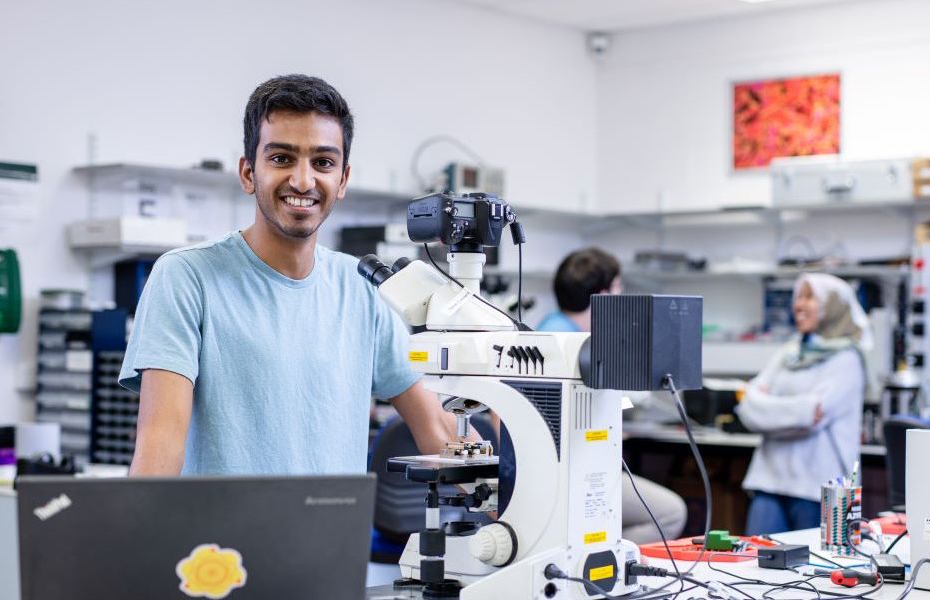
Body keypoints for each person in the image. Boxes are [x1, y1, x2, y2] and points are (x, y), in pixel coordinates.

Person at [119, 74, 470, 476]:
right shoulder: (186, 277)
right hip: (221, 541)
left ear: (342, 180)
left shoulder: (363, 289)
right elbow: (158, 450)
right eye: (282, 158)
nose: (303, 180)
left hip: (332, 540)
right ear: (249, 173)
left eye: (322, 162)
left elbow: (441, 430)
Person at [529, 247, 688, 544]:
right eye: (618, 289)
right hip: (570, 473)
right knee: (671, 512)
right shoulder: (578, 345)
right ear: (602, 296)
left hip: (549, 470)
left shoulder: (548, 330)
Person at [737, 273, 873, 535]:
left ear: (833, 306)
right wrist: (795, 412)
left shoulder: (847, 360)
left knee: (815, 573)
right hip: (768, 481)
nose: (799, 304)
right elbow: (747, 407)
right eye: (798, 296)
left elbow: (812, 417)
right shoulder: (789, 353)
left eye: (810, 297)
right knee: (754, 567)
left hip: (819, 489)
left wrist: (769, 411)